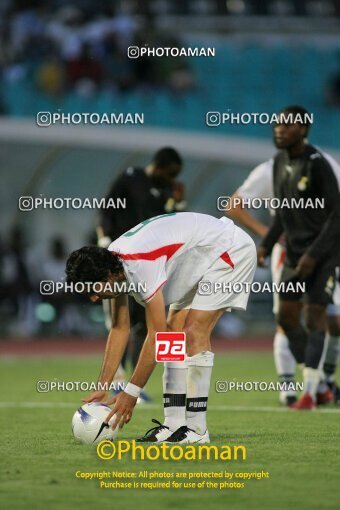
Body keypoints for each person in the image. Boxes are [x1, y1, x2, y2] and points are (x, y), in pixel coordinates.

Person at [65, 212, 257, 443]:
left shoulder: (139, 264)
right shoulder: (114, 264)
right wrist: (104, 385)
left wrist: (131, 392)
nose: (94, 298)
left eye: (95, 289)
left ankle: (197, 430)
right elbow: (119, 328)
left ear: (109, 274)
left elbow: (156, 336)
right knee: (174, 333)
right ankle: (173, 424)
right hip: (201, 257)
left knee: (192, 332)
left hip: (229, 250)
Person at [227, 105, 340, 406]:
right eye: (277, 125)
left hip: (324, 254)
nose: (279, 129)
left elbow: (336, 214)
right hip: (292, 253)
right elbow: (284, 211)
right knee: (286, 318)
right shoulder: (278, 164)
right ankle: (314, 379)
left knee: (315, 316)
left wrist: (315, 255)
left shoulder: (318, 163)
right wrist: (266, 242)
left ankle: (311, 392)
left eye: (287, 126)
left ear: (303, 130)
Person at [97, 147, 185, 402]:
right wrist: (105, 240)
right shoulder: (131, 177)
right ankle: (127, 384)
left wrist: (179, 201)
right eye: (169, 174)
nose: (172, 180)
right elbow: (106, 208)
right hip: (132, 260)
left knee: (179, 329)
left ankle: (140, 390)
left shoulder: (169, 191)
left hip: (157, 262)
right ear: (157, 166)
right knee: (170, 328)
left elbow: (175, 221)